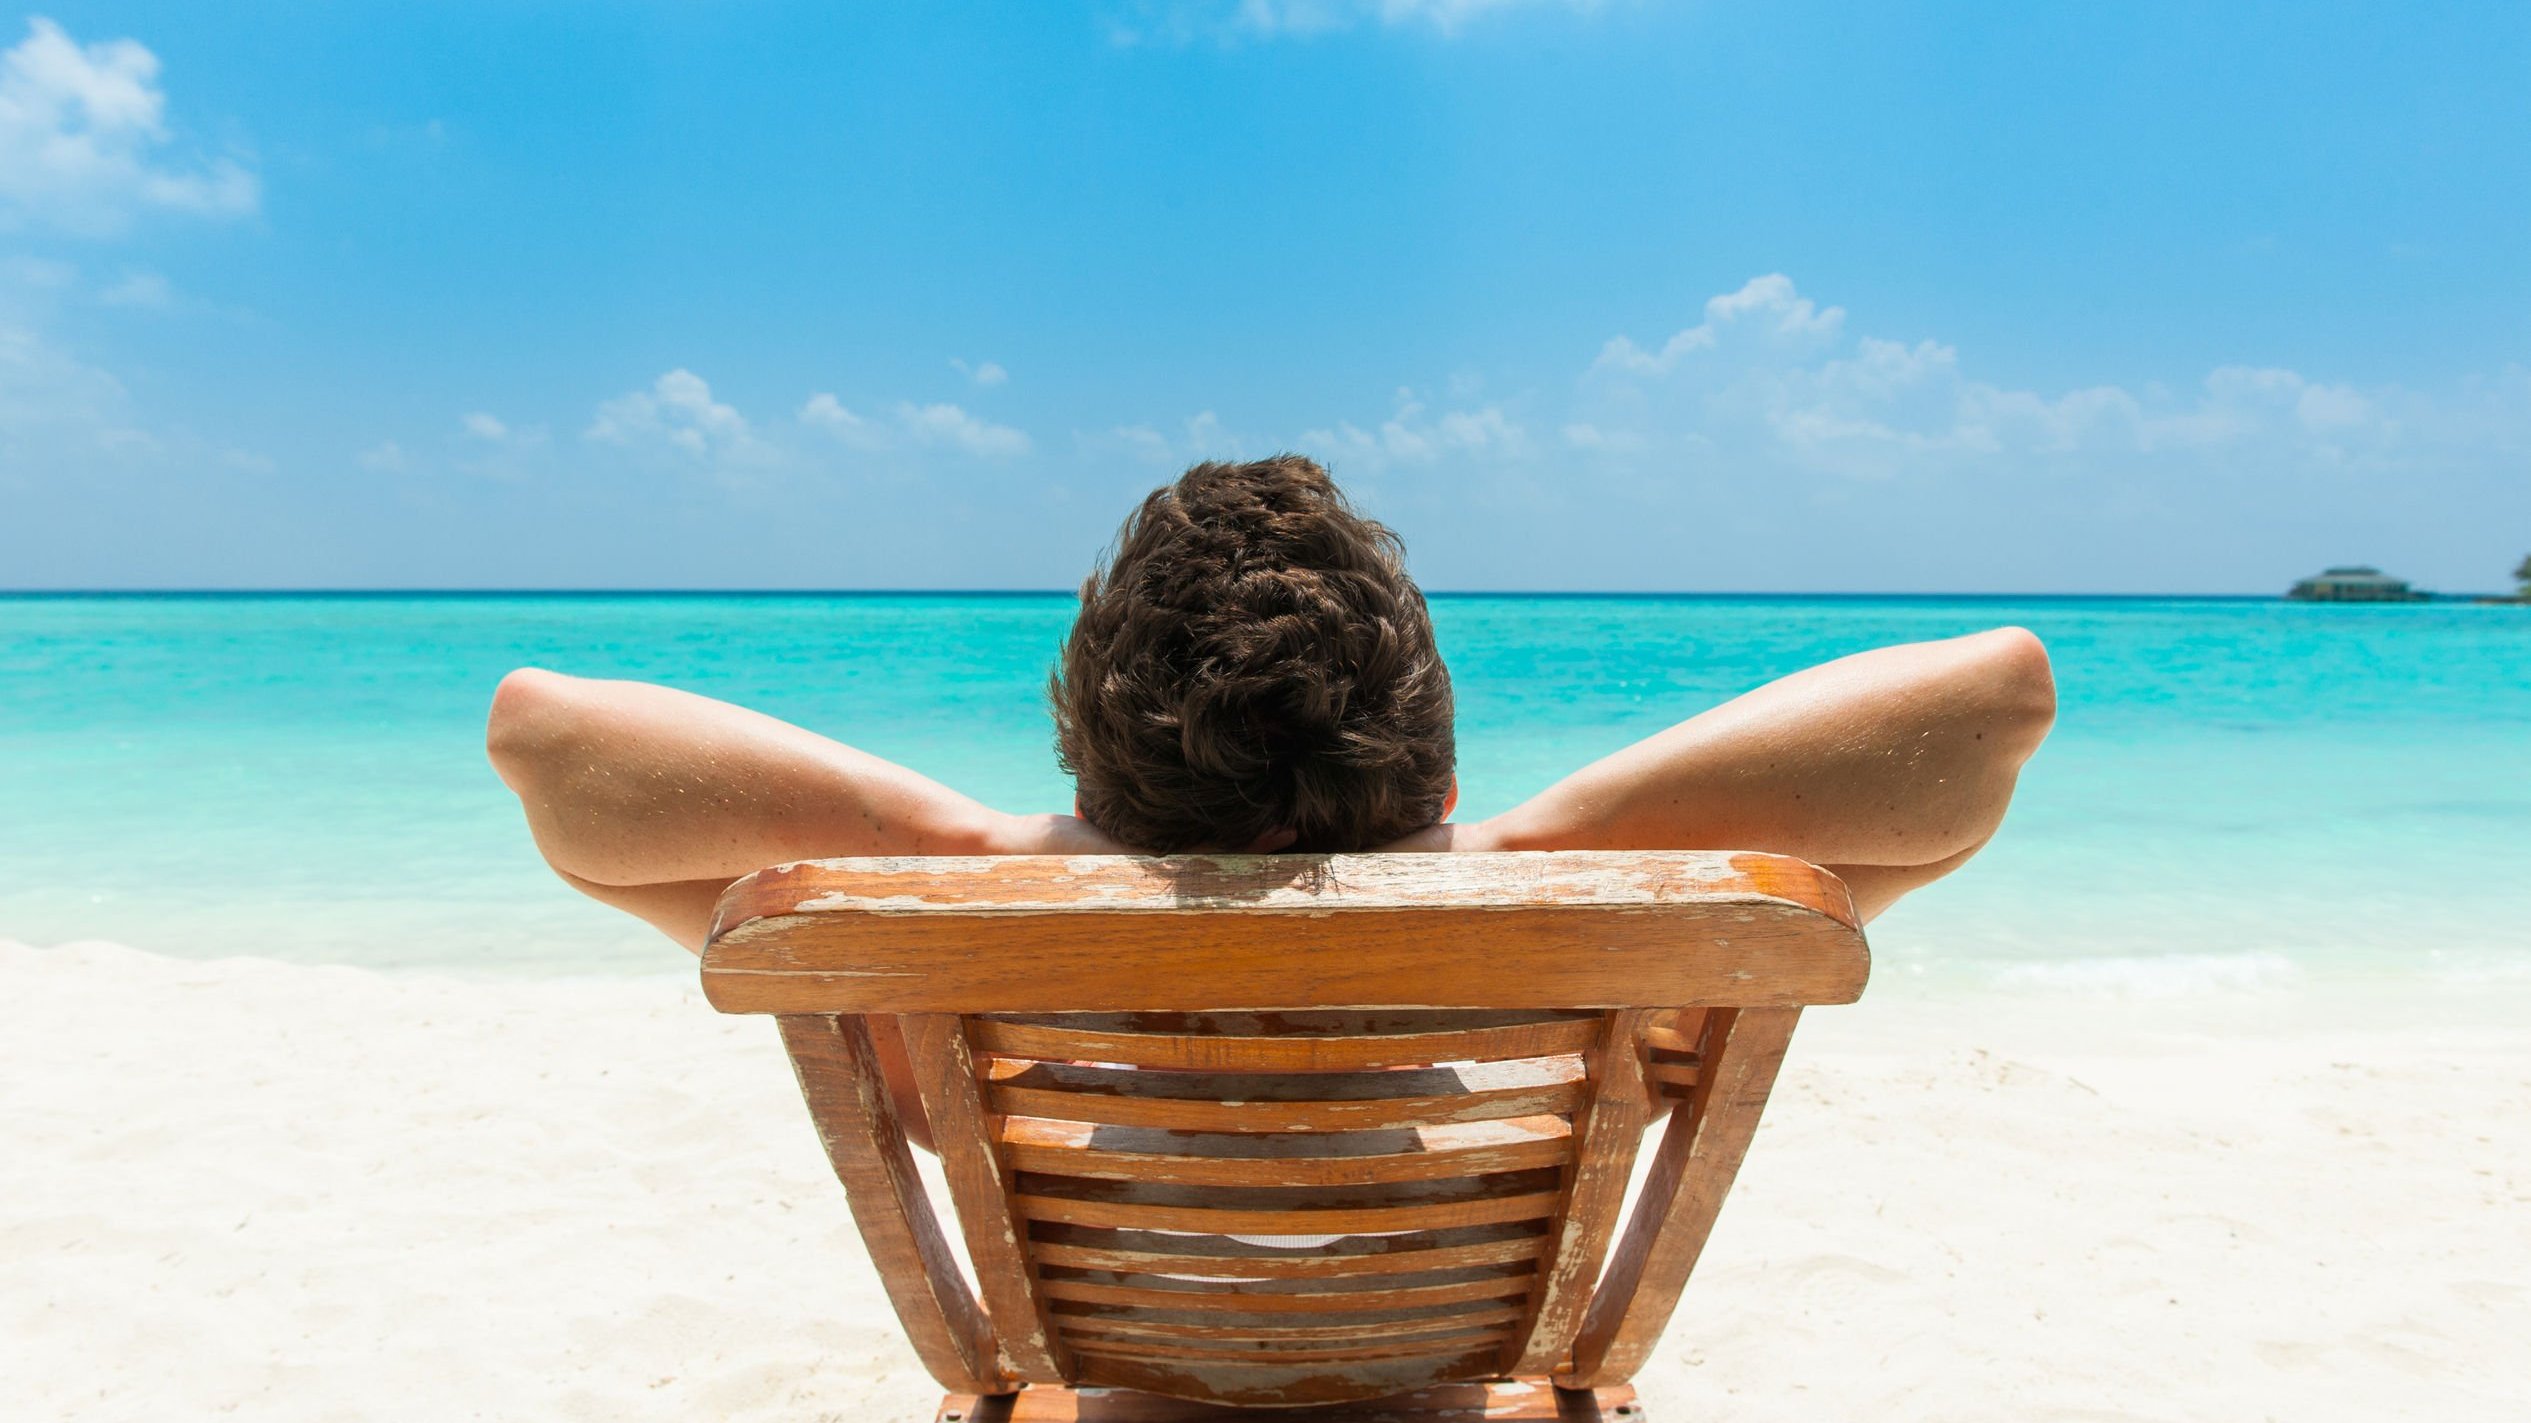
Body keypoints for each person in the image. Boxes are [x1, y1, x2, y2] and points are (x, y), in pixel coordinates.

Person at [488, 455, 2054, 1134]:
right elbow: (1997, 697)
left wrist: (984, 848)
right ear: (1432, 756)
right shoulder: (1591, 968)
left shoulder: (943, 971)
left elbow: (544, 738)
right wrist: (1517, 848)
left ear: (1089, 763)